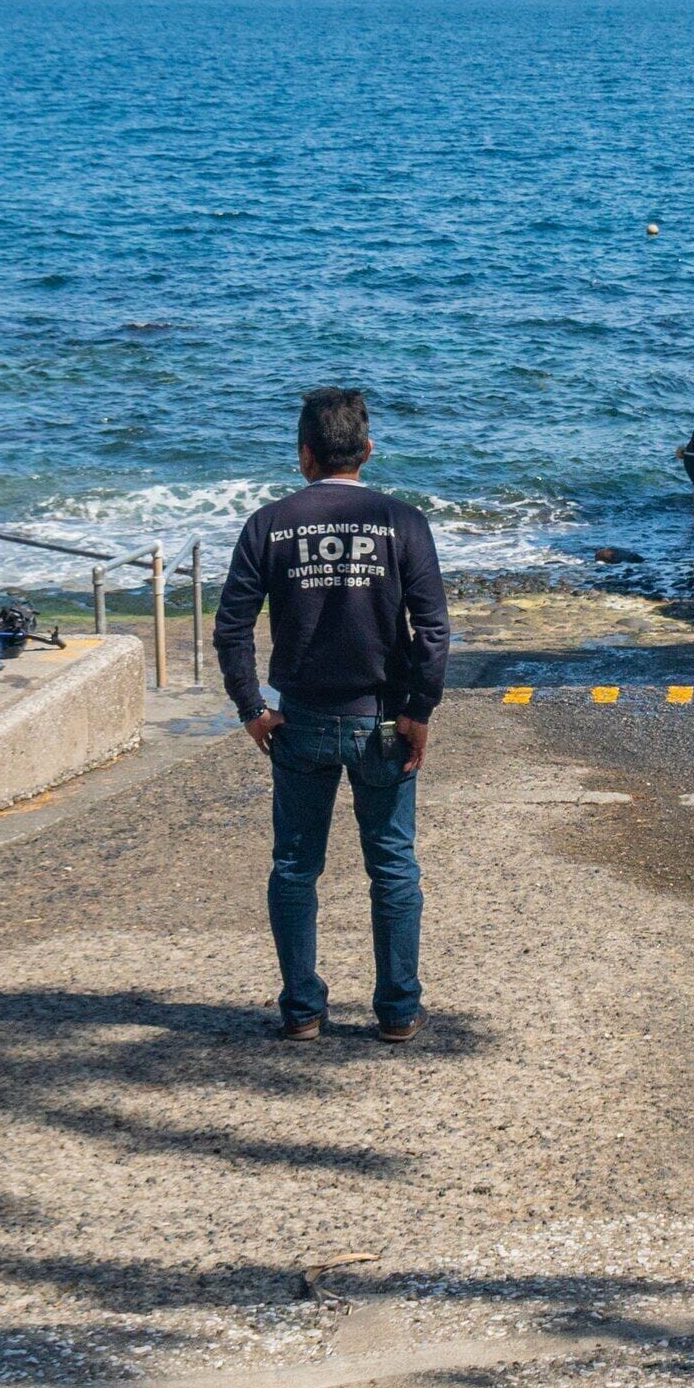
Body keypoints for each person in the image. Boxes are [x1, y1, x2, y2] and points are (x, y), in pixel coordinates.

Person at [214, 387, 450, 1043]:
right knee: (393, 868)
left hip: (302, 720)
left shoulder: (269, 524)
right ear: (367, 450)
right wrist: (420, 708)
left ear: (305, 456)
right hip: (382, 718)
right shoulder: (403, 523)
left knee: (295, 867)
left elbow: (231, 627)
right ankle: (398, 1010)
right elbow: (432, 627)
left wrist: (251, 708)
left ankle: (302, 1011)